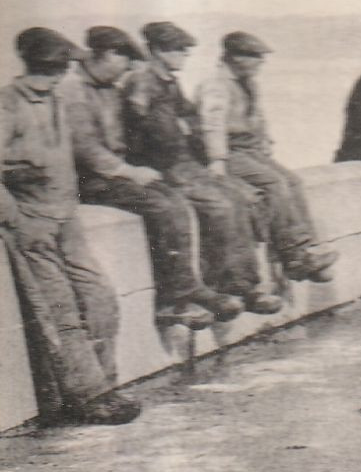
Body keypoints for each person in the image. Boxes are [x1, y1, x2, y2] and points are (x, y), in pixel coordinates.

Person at [0, 27, 140, 425]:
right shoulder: (7, 105)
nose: (58, 74)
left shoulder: (60, 100)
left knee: (100, 298)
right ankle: (87, 395)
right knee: (60, 312)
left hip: (66, 217)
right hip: (32, 224)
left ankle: (106, 385)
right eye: (54, 68)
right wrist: (16, 220)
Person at [63, 26, 238, 330]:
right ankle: (173, 301)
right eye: (125, 58)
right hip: (90, 180)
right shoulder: (74, 91)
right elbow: (85, 146)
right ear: (106, 55)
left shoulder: (109, 88)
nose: (129, 67)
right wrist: (129, 171)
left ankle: (188, 289)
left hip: (114, 173)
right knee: (163, 207)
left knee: (176, 201)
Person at [123, 22, 282, 315]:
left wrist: (194, 139)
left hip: (184, 161)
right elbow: (140, 126)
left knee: (241, 197)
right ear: (156, 50)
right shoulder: (142, 82)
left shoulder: (168, 81)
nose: (184, 55)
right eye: (178, 49)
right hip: (164, 166)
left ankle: (243, 284)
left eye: (186, 49)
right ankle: (226, 285)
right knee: (219, 205)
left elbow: (189, 116)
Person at [195, 32, 339, 283]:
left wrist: (266, 143)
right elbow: (212, 124)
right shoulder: (215, 85)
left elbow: (258, 119)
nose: (259, 62)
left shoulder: (248, 83)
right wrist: (217, 159)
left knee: (293, 181)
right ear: (233, 57)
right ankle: (293, 255)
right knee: (274, 183)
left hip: (251, 150)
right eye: (253, 57)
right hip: (230, 152)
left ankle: (307, 247)